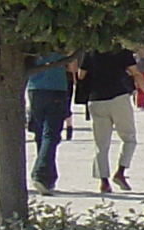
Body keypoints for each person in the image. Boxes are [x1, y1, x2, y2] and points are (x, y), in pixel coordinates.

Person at [72, 45, 138, 193]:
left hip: (96, 99)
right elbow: (135, 72)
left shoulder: (90, 51)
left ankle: (104, 181)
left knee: (101, 144)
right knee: (129, 138)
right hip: (118, 96)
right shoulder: (121, 50)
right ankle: (120, 171)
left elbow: (81, 75)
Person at [24, 51, 75, 194]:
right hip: (56, 87)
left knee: (40, 134)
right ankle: (40, 174)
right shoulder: (62, 44)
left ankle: (49, 176)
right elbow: (72, 68)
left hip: (35, 87)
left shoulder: (34, 43)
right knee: (51, 135)